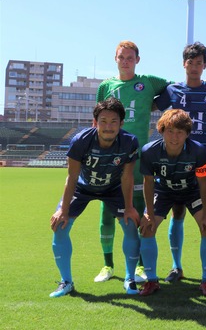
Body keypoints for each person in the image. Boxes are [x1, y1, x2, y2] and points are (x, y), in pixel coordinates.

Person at [154, 42, 206, 287]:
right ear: (184, 64)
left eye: (199, 63)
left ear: (205, 66)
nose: (194, 67)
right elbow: (151, 103)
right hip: (178, 161)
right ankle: (176, 266)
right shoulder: (173, 90)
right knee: (177, 212)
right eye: (190, 62)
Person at [94, 41, 169, 283]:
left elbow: (177, 88)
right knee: (107, 211)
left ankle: (140, 266)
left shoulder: (148, 82)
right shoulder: (106, 86)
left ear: (137, 60)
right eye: (121, 57)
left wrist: (154, 103)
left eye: (130, 57)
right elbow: (97, 120)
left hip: (138, 157)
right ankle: (107, 265)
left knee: (139, 210)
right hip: (110, 157)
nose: (125, 61)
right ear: (115, 59)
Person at [49, 98, 140, 297]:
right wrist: (63, 210)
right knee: (60, 226)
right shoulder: (80, 140)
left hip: (113, 188)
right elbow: (72, 176)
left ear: (121, 123)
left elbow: (127, 176)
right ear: (95, 122)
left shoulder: (129, 141)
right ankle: (66, 281)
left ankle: (130, 278)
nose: (108, 127)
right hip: (83, 187)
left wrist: (129, 207)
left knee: (131, 225)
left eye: (113, 122)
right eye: (103, 121)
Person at [137, 109, 206, 296]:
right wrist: (149, 213)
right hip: (164, 191)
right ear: (161, 131)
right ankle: (151, 281)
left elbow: (203, 184)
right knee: (147, 229)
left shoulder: (198, 150)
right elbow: (148, 183)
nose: (174, 137)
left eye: (180, 132)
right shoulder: (149, 151)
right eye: (170, 131)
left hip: (191, 191)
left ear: (187, 133)